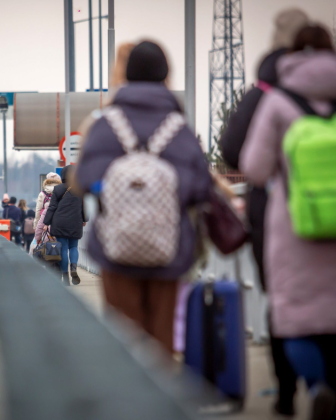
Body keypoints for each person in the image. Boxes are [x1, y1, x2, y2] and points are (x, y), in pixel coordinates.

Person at [240, 24, 336, 420]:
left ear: (292, 56)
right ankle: (332, 395)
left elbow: (254, 168)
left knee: (291, 316)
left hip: (295, 228)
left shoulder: (278, 103)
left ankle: (315, 385)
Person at [76, 40, 212, 353]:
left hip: (116, 249)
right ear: (166, 75)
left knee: (124, 341)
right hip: (170, 250)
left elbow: (85, 178)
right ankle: (163, 398)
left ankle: (129, 398)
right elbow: (201, 186)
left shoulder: (105, 125)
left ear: (126, 75)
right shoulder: (179, 128)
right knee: (161, 340)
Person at [219, 8, 309, 416]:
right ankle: (329, 382)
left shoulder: (265, 93)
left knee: (279, 297)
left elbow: (233, 149)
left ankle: (288, 390)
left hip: (276, 211)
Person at [43, 165, 87, 286]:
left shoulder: (57, 189)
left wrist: (46, 222)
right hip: (75, 222)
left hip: (60, 223)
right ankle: (73, 268)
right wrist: (84, 219)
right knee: (73, 247)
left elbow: (52, 207)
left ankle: (65, 276)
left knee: (62, 248)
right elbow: (83, 207)